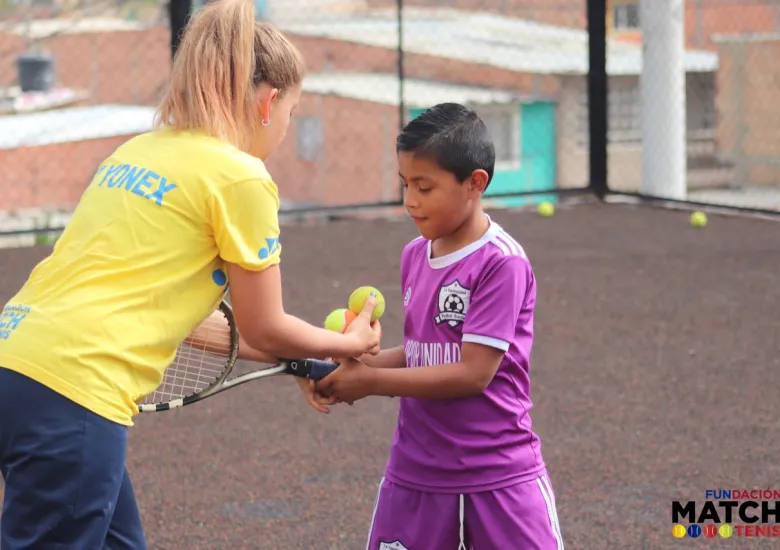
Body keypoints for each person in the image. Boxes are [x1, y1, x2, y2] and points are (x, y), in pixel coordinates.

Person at [0, 1, 380, 548]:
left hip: (18, 363)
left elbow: (195, 323)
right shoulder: (241, 177)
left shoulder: (139, 151)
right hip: (76, 393)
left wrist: (308, 357)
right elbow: (266, 323)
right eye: (293, 111)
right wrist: (352, 342)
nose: (286, 123)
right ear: (270, 102)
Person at [315, 103, 564, 549]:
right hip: (416, 473)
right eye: (405, 184)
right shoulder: (415, 254)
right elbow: (422, 351)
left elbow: (472, 373)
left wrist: (370, 381)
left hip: (497, 475)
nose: (410, 200)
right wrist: (356, 363)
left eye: (424, 187)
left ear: (475, 183)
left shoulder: (500, 262)